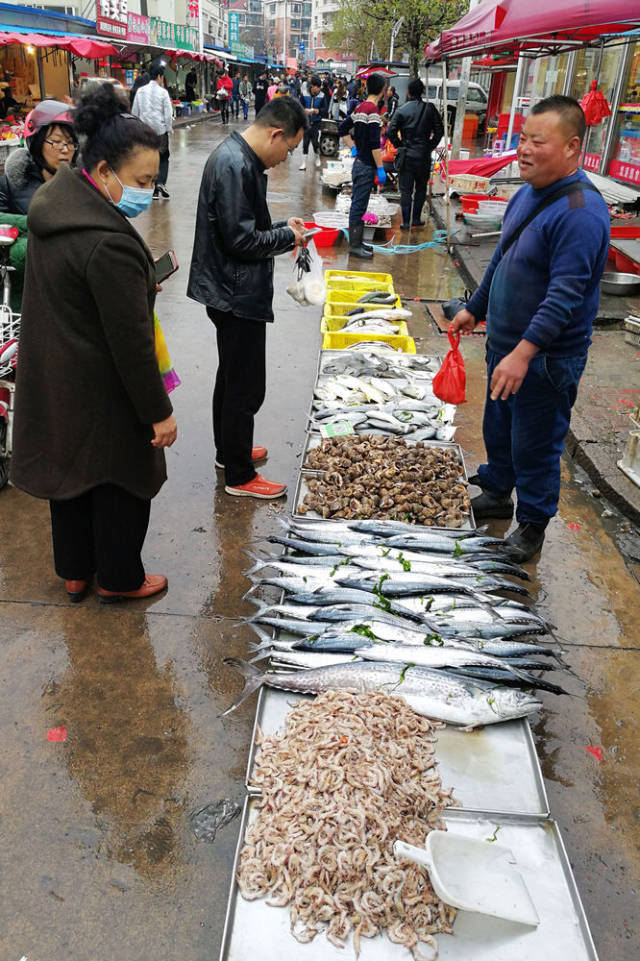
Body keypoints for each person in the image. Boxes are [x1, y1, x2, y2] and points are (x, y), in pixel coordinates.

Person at [10, 83, 177, 603]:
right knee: (119, 480)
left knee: (71, 477)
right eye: (142, 181)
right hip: (103, 385)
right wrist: (158, 412)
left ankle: (77, 571)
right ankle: (120, 579)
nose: (148, 192)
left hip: (57, 374)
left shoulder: (53, 206)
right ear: (104, 172)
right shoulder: (108, 242)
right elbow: (131, 344)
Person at [450, 96, 610, 563]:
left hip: (545, 359)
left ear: (572, 147)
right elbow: (501, 262)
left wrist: (524, 352)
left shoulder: (581, 212)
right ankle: (498, 492)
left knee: (536, 442)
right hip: (506, 346)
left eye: (538, 141)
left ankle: (532, 527)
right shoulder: (525, 194)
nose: (523, 150)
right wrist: (474, 309)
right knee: (499, 429)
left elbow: (566, 295)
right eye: (522, 138)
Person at [187, 97, 308, 500]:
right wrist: (287, 236)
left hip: (228, 286)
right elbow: (241, 240)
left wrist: (279, 226)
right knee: (245, 385)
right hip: (234, 291)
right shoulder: (235, 165)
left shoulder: (239, 158)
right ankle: (239, 476)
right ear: (276, 133)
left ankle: (230, 451)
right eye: (288, 149)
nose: (284, 159)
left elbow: (242, 227)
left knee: (232, 375)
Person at [338, 72, 386, 259]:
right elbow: (375, 145)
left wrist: (354, 149)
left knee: (359, 205)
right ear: (383, 90)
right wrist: (380, 168)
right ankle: (354, 246)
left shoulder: (359, 109)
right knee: (359, 207)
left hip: (359, 164)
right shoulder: (373, 112)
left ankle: (357, 243)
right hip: (366, 167)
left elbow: (342, 129)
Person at [0, 100, 77, 214]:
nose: (65, 150)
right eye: (56, 142)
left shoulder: (83, 184)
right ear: (37, 144)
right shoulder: (11, 184)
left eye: (70, 143)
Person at [388, 78, 443, 229]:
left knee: (406, 190)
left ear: (409, 92)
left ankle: (406, 222)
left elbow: (390, 131)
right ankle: (416, 220)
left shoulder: (401, 110)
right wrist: (429, 146)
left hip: (407, 156)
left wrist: (400, 145)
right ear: (422, 92)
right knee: (421, 189)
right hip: (423, 156)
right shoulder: (430, 109)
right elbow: (440, 131)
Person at [131, 63, 172, 200]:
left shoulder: (140, 91)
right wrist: (168, 128)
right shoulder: (163, 92)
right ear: (159, 76)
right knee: (163, 157)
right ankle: (161, 183)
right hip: (160, 131)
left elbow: (134, 113)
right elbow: (168, 114)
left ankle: (152, 187)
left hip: (145, 131)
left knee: (148, 157)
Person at [298, 75, 327, 170]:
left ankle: (317, 157)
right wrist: (304, 110)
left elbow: (325, 110)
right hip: (306, 123)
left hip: (316, 123)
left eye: (319, 87)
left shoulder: (322, 96)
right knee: (305, 143)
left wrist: (318, 111)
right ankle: (303, 163)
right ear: (312, 86)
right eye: (317, 87)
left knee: (315, 143)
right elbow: (299, 106)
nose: (319, 89)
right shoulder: (304, 94)